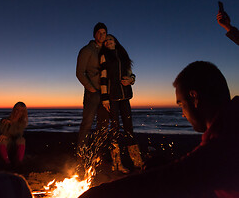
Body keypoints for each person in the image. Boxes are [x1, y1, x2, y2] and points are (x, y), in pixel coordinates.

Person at [79, 61, 239, 198]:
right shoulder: (229, 124)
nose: (183, 114)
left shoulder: (228, 140)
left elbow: (178, 176)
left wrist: (97, 193)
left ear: (194, 97)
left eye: (181, 104)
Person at [99, 34, 142, 172]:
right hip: (112, 97)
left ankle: (137, 161)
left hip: (125, 96)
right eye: (105, 41)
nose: (108, 42)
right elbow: (103, 78)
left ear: (115, 42)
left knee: (129, 128)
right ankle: (116, 163)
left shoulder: (124, 56)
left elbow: (131, 75)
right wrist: (105, 98)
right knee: (115, 129)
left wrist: (131, 80)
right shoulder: (104, 56)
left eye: (110, 39)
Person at [76, 22, 109, 151]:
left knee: (103, 125)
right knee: (87, 124)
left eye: (104, 33)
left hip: (106, 94)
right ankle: (81, 154)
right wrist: (91, 88)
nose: (102, 35)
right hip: (93, 93)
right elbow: (79, 72)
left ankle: (97, 154)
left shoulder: (107, 51)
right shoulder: (87, 50)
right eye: (99, 33)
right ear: (94, 34)